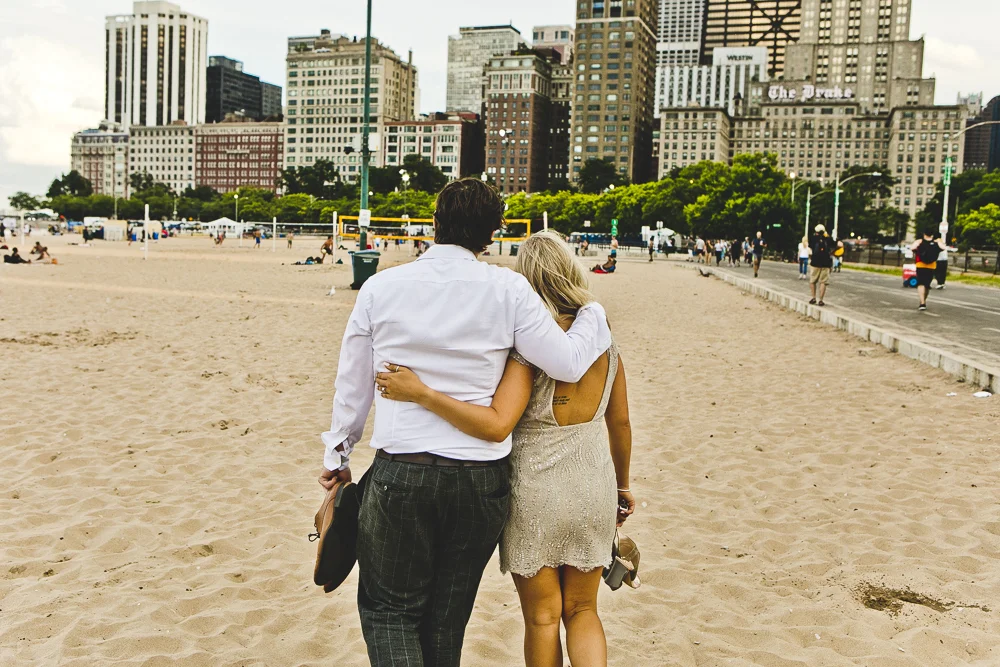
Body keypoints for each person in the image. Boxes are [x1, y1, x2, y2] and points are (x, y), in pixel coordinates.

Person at [319, 178, 612, 667]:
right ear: (492, 235)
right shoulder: (509, 289)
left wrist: (338, 456)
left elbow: (353, 384)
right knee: (446, 619)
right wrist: (593, 316)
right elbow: (566, 363)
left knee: (390, 612)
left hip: (403, 473)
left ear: (435, 223)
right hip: (481, 482)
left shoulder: (381, 287)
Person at [376, 231, 634, 667]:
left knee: (542, 617)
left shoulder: (528, 350)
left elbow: (497, 423)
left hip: (535, 492)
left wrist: (423, 393)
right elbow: (621, 422)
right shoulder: (603, 341)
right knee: (584, 610)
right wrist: (623, 487)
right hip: (594, 486)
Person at [911, 229, 947, 311]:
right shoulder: (936, 242)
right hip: (931, 266)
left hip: (920, 265)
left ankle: (922, 302)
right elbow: (944, 248)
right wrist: (938, 242)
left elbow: (912, 248)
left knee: (921, 283)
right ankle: (923, 301)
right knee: (926, 285)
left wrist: (918, 243)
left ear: (924, 233)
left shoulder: (919, 242)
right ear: (932, 235)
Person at [808, 225, 834, 306]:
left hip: (815, 262)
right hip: (826, 263)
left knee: (813, 281)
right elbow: (836, 245)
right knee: (823, 282)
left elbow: (810, 248)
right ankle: (821, 300)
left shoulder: (813, 238)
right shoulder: (828, 239)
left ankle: (813, 298)